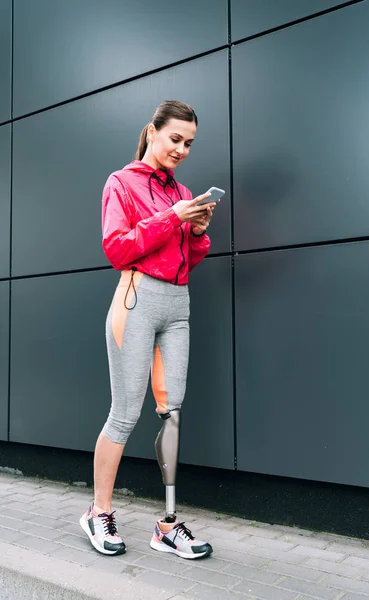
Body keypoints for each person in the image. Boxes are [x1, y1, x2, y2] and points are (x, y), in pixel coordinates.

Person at [79, 100, 216, 560]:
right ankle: (98, 512)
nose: (181, 149)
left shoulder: (184, 191)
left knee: (172, 410)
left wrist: (196, 230)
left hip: (178, 305)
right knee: (125, 412)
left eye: (189, 143)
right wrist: (172, 218)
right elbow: (118, 248)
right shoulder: (122, 182)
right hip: (136, 299)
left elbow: (188, 260)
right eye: (175, 138)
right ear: (153, 132)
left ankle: (168, 526)